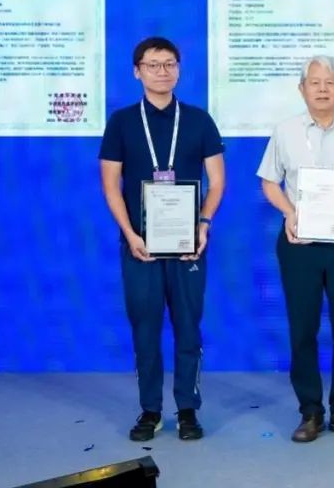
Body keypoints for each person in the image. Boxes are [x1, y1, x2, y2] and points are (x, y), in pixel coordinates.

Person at [99, 37, 225, 442]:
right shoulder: (121, 122)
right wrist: (130, 233)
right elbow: (110, 184)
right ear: (137, 71)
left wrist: (203, 225)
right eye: (153, 65)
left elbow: (217, 181)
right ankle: (150, 410)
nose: (162, 71)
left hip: (188, 244)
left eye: (170, 64)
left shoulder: (199, 120)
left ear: (179, 70)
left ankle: (188, 410)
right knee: (146, 328)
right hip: (141, 245)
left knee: (189, 328)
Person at [257, 56, 334, 442]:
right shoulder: (286, 131)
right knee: (303, 328)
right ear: (302, 89)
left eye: (330, 82)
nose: (323, 88)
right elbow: (269, 182)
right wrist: (289, 212)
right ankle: (310, 411)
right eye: (315, 82)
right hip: (300, 243)